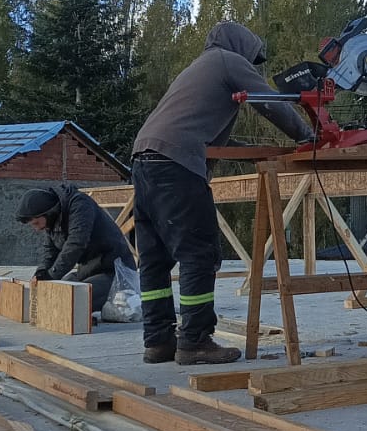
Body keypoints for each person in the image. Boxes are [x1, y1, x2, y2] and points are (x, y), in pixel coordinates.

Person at [131, 22, 316, 366]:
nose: (252, 65)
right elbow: (269, 102)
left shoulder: (197, 70)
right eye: (253, 58)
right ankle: (195, 341)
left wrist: (251, 149)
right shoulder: (227, 61)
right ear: (242, 47)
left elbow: (202, 131)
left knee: (155, 259)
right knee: (199, 254)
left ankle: (157, 341)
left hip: (144, 160)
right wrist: (308, 136)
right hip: (176, 164)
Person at [15, 185, 137, 320]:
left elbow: (76, 244)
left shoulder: (80, 205)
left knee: (70, 300)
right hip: (89, 269)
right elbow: (50, 250)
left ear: (48, 212)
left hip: (115, 271)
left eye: (37, 223)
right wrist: (41, 274)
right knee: (55, 293)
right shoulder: (52, 220)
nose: (37, 229)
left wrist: (52, 275)